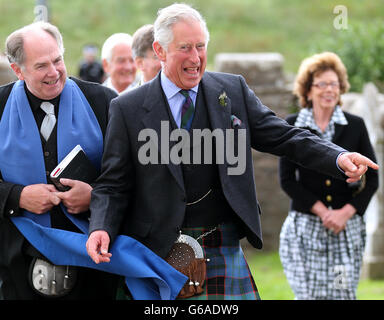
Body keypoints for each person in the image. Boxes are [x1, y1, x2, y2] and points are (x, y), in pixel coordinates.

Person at [86, 4, 378, 300]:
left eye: (201, 46)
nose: (195, 58)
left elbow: (284, 135)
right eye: (184, 48)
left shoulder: (231, 91)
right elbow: (113, 183)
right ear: (160, 51)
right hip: (157, 250)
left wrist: (338, 157)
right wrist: (101, 227)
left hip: (221, 244)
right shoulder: (128, 108)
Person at [0, 21, 119, 299]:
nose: (54, 72)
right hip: (16, 265)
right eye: (41, 65)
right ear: (18, 70)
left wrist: (95, 197)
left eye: (58, 60)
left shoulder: (104, 102)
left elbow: (130, 176)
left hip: (94, 262)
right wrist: (17, 196)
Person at [278, 52, 379, 300]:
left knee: (341, 294)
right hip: (305, 229)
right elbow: (287, 180)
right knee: (308, 296)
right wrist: (324, 212)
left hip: (346, 229)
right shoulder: (292, 126)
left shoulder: (355, 126)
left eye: (334, 84)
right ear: (308, 90)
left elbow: (373, 177)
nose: (329, 90)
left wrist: (345, 213)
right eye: (321, 84)